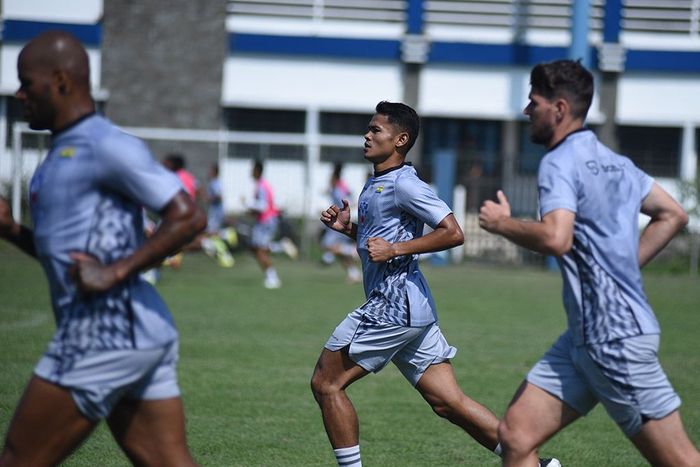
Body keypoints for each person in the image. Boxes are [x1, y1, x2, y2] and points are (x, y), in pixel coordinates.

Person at [311, 101, 559, 467]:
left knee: (326, 383)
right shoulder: (378, 181)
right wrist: (349, 229)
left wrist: (395, 247)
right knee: (449, 403)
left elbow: (453, 233)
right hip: (413, 310)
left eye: (375, 130)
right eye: (369, 128)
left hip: (391, 307)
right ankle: (536, 465)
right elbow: (379, 241)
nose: (366, 135)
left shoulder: (405, 184)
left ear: (401, 140)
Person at [479, 59, 700, 467]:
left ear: (559, 109)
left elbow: (556, 237)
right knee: (517, 435)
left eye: (534, 102)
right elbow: (673, 214)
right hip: (585, 336)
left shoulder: (559, 161)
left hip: (615, 339)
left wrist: (501, 224)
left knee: (680, 461)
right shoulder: (614, 161)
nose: (527, 111)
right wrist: (623, 269)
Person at [0, 30, 206, 466]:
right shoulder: (60, 154)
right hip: (136, 331)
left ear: (59, 80)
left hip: (102, 333)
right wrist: (12, 230)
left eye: (26, 82)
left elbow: (188, 215)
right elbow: (69, 259)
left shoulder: (104, 144)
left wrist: (114, 271)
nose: (19, 93)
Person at [320, 163, 361, 284]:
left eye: (330, 179)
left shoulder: (339, 188)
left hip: (339, 221)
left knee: (329, 245)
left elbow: (347, 199)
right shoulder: (336, 187)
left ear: (334, 179)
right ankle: (354, 273)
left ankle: (352, 251)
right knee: (338, 253)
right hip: (335, 220)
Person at [246, 160, 283, 288]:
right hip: (266, 220)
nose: (250, 172)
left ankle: (273, 278)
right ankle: (278, 247)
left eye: (252, 169)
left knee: (259, 250)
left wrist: (248, 204)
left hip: (265, 221)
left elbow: (263, 206)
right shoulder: (262, 185)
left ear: (257, 170)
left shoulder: (262, 186)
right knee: (254, 249)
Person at [200, 163, 235, 268]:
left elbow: (219, 196)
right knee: (212, 235)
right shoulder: (215, 183)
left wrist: (208, 199)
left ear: (215, 172)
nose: (208, 173)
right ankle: (224, 254)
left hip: (215, 213)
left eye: (210, 171)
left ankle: (227, 234)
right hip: (216, 212)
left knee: (210, 233)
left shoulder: (215, 183)